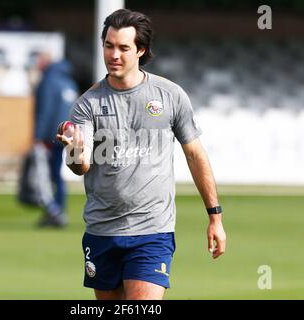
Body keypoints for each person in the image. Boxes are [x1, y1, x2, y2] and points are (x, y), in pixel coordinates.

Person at [57, 9, 226, 299]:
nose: (114, 55)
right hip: (102, 231)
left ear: (141, 50)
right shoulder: (87, 104)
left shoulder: (170, 95)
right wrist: (73, 150)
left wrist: (215, 216)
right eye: (109, 46)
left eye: (123, 48)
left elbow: (195, 155)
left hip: (152, 231)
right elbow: (80, 166)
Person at [34, 51, 78, 227]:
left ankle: (54, 211)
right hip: (69, 134)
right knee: (57, 175)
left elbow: (45, 110)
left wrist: (38, 136)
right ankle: (58, 210)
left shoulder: (48, 82)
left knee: (48, 175)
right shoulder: (69, 82)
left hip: (52, 136)